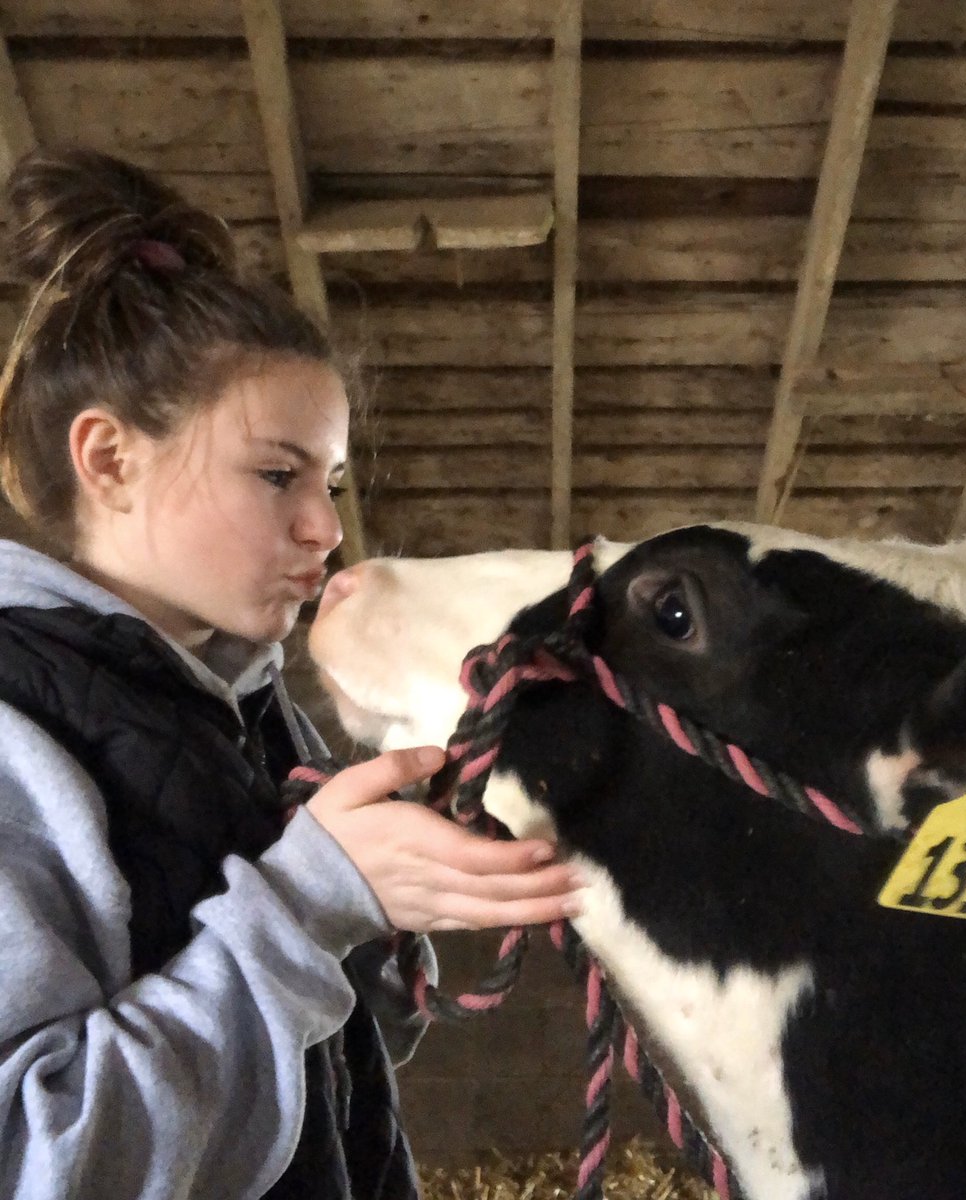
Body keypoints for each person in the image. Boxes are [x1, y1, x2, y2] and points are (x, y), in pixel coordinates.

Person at [0, 147, 583, 1200]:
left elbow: (334, 1073)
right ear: (109, 459)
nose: (325, 528)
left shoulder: (259, 715)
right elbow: (38, 1160)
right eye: (277, 474)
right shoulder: (14, 729)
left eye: (332, 481)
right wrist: (314, 901)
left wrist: (384, 913)